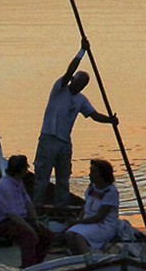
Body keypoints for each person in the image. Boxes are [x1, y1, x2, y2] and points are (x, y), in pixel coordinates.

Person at [33, 37, 118, 210]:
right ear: (73, 80)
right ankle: (37, 208)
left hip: (64, 144)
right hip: (49, 139)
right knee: (42, 177)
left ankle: (62, 210)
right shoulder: (60, 88)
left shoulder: (80, 100)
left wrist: (110, 120)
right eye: (78, 82)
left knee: (63, 180)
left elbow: (93, 115)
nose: (79, 86)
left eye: (83, 85)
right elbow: (69, 70)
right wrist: (82, 51)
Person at [0, 153, 54, 268]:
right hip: (3, 223)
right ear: (21, 170)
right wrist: (29, 228)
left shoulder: (18, 182)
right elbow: (11, 215)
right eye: (26, 168)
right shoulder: (5, 187)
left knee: (47, 235)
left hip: (20, 219)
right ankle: (27, 267)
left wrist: (35, 220)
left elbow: (28, 202)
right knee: (29, 237)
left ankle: (37, 264)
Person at [60, 158, 122, 254]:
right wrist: (78, 221)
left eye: (93, 172)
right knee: (69, 234)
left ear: (102, 175)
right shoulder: (92, 187)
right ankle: (77, 258)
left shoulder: (111, 192)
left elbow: (100, 217)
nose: (89, 175)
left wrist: (78, 222)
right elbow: (85, 208)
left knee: (79, 237)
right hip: (88, 222)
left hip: (104, 225)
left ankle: (88, 260)